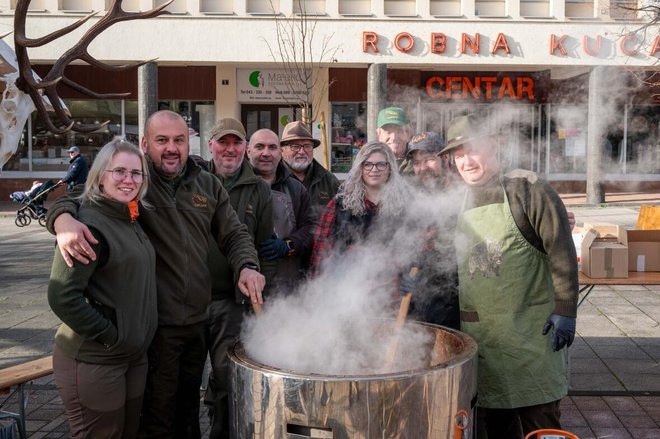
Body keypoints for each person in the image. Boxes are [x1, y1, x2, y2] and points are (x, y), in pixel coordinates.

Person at [45, 110, 265, 439]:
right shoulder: (135, 177)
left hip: (196, 323)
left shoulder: (207, 184)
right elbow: (84, 198)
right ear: (146, 143)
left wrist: (247, 265)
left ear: (189, 142)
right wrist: (61, 220)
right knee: (157, 414)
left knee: (188, 411)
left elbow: (234, 234)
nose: (172, 148)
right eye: (162, 141)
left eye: (179, 140)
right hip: (155, 326)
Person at [439, 114, 579, 438]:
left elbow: (561, 247)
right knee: (495, 429)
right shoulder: (454, 201)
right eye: (458, 155)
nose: (466, 161)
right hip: (484, 341)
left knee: (542, 427)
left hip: (531, 337)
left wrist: (566, 308)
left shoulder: (527, 188)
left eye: (472, 150)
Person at [48, 140, 157, 439]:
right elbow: (62, 296)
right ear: (100, 175)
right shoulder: (88, 225)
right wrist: (112, 336)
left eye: (136, 173)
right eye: (119, 171)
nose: (128, 179)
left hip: (132, 357)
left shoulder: (129, 216)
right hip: (96, 360)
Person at [193, 117, 274, 439]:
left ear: (245, 147)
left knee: (228, 377)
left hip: (232, 303)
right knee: (182, 380)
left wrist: (259, 294)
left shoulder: (259, 189)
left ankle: (221, 433)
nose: (230, 149)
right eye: (223, 142)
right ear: (211, 145)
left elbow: (264, 249)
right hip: (188, 300)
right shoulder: (193, 181)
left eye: (236, 142)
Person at [310, 141, 410, 271]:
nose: (374, 169)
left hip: (393, 284)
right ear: (360, 168)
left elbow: (414, 247)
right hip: (348, 283)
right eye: (368, 164)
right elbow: (321, 252)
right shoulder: (340, 204)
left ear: (390, 168)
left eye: (381, 164)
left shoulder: (404, 203)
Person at [403, 132, 460, 329]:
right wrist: (405, 271)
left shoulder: (462, 191)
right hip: (421, 295)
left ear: (445, 158)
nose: (422, 168)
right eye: (417, 163)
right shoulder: (414, 196)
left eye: (428, 160)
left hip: (456, 298)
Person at [247, 128, 314, 294]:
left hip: (286, 284)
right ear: (248, 151)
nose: (266, 153)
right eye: (259, 147)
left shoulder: (296, 189)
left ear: (280, 153)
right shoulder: (236, 187)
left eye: (272, 147)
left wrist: (288, 245)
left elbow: (310, 227)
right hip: (244, 286)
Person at [280, 120, 340, 219]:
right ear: (282, 150)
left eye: (307, 146)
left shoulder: (328, 181)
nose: (302, 152)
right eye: (295, 146)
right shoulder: (273, 179)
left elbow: (342, 218)